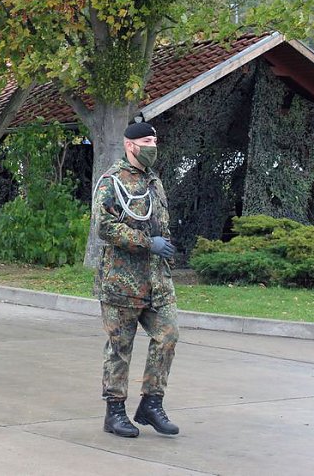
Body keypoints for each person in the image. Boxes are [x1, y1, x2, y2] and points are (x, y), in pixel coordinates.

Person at [93, 121, 179, 438]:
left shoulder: (154, 181)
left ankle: (151, 404)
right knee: (120, 349)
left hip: (157, 282)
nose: (152, 146)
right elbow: (105, 227)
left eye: (155, 140)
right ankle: (115, 413)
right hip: (121, 282)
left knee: (168, 336)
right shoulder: (111, 181)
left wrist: (165, 249)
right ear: (130, 145)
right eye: (146, 140)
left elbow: (161, 222)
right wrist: (146, 242)